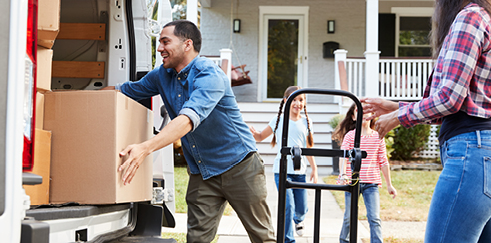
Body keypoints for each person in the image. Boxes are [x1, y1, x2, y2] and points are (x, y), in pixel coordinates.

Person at [104, 20, 276, 243]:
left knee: (262, 237)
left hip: (240, 166)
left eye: (166, 41)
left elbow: (187, 120)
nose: (159, 48)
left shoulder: (210, 75)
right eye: (159, 42)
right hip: (203, 173)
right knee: (197, 240)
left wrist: (145, 148)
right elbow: (123, 91)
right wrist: (81, 96)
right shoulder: (161, 76)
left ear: (187, 44)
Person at [360, 0, 491, 242]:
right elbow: (459, 101)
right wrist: (396, 106)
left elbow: (449, 99)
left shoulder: (469, 18)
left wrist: (397, 118)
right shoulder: (484, 17)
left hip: (471, 155)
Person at [249, 86, 318, 243]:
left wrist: (314, 167)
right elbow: (260, 137)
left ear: (305, 103)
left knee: (301, 208)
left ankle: (299, 220)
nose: (297, 103)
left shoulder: (307, 121)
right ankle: (288, 240)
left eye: (301, 100)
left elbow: (308, 146)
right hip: (282, 170)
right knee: (288, 206)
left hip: (300, 172)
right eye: (294, 99)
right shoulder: (278, 120)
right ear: (286, 101)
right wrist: (253, 133)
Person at [332, 103, 397, 243]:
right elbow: (343, 157)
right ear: (354, 117)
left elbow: (383, 161)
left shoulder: (378, 136)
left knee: (374, 218)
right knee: (349, 217)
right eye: (359, 111)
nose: (364, 114)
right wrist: (343, 175)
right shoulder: (350, 136)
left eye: (367, 111)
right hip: (352, 182)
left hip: (371, 184)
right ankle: (344, 241)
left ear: (372, 116)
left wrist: (389, 185)